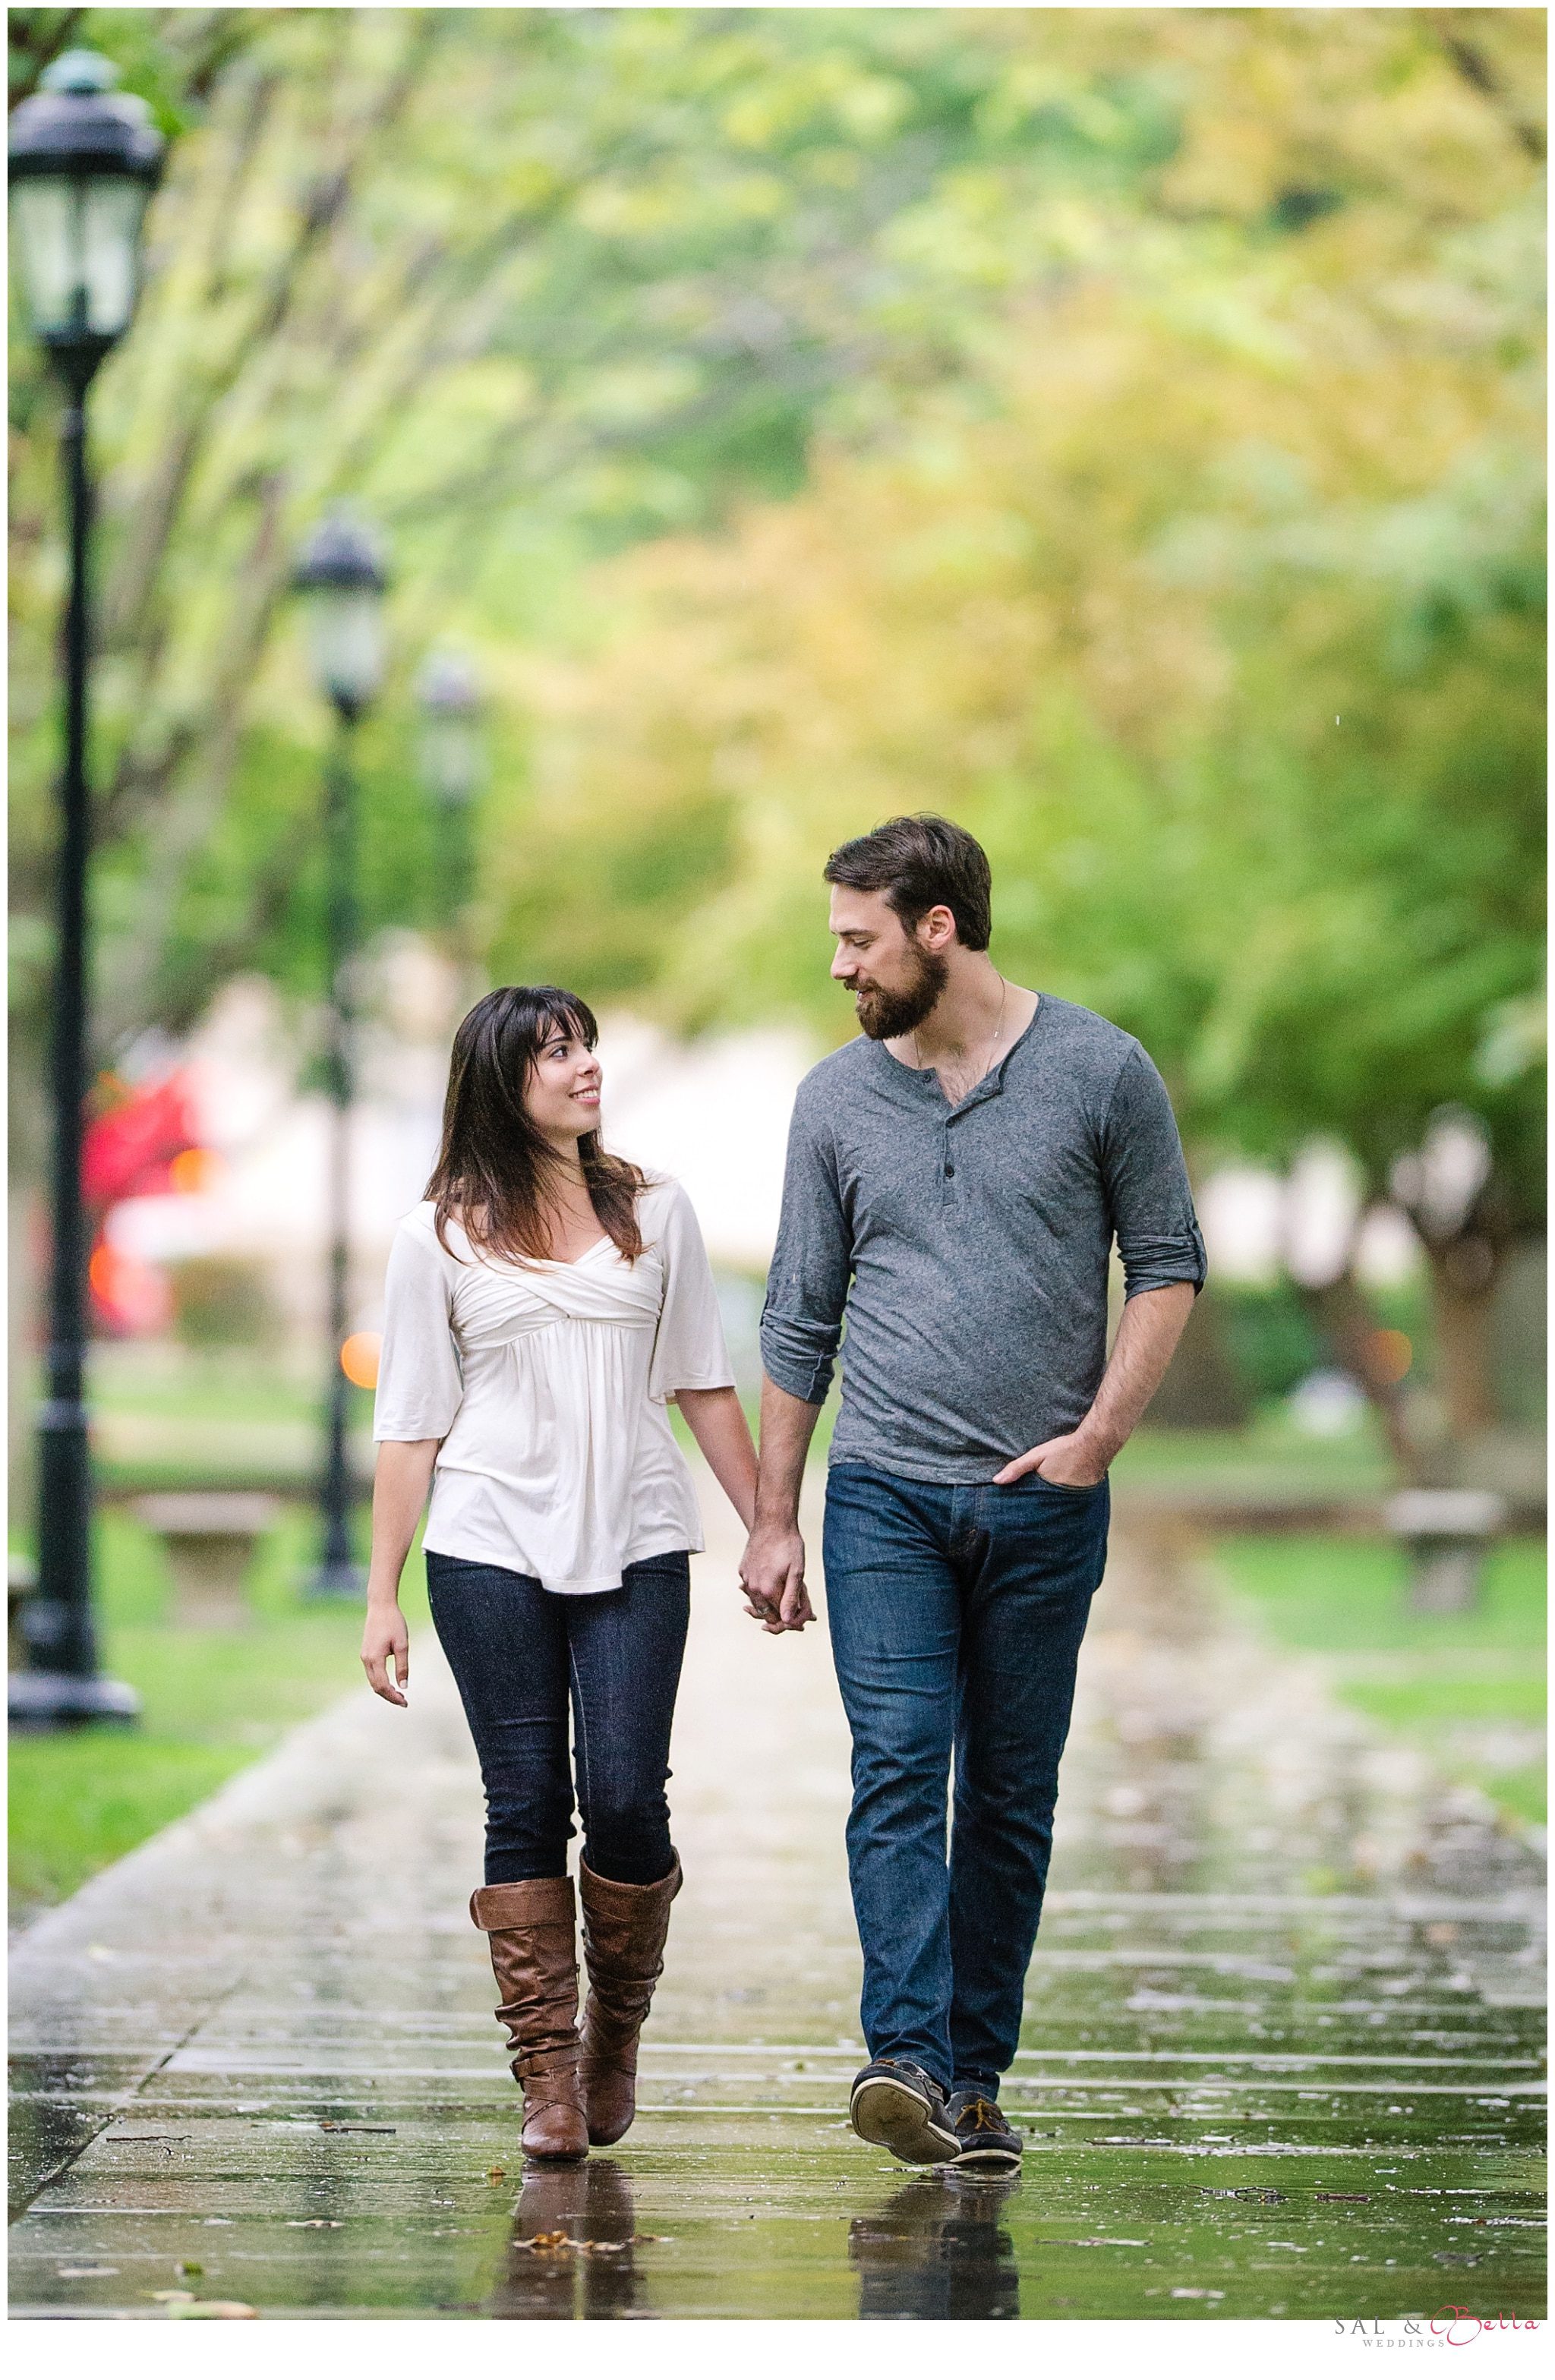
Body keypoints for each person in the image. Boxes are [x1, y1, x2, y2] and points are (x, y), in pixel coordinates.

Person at [741, 815, 1206, 2174]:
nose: (841, 965)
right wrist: (773, 1516)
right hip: (882, 1495)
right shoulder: (835, 1101)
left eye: (860, 938)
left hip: (1043, 1506)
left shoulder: (1102, 1070)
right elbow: (799, 1318)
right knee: (896, 1769)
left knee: (1007, 1797)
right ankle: (906, 2059)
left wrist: (1096, 1443)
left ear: (938, 929)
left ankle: (976, 2081)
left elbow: (1167, 1263)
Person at [363, 983, 765, 2163]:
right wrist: (382, 1595)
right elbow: (410, 1425)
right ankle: (545, 2074)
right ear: (503, 1082)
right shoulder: (436, 1236)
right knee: (526, 1801)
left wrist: (768, 1530)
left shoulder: (657, 1210)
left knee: (629, 1799)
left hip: (637, 1533)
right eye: (557, 1052)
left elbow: (703, 1383)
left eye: (587, 1044)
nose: (588, 1065)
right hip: (487, 1543)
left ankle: (612, 2036)